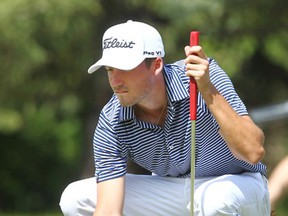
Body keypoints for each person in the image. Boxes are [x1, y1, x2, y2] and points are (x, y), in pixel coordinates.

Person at [59, 20, 270, 216]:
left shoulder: (204, 76)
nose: (115, 80)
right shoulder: (111, 120)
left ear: (156, 64)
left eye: (124, 68)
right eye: (109, 69)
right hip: (171, 191)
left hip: (238, 185)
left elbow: (253, 152)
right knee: (75, 197)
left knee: (217, 200)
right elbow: (108, 210)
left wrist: (206, 90)